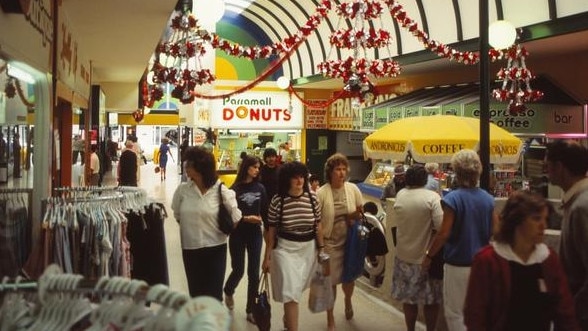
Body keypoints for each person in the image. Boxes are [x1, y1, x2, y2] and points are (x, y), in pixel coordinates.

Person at [464, 190, 580, 330]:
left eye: (545, 219)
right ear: (517, 220)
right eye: (536, 218)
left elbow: (565, 311)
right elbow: (475, 315)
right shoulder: (487, 260)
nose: (543, 225)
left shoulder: (548, 259)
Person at [423, 149, 498, 331]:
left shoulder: (453, 199)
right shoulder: (488, 199)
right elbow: (497, 231)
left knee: (455, 313)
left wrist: (429, 256)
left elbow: (444, 233)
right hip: (482, 265)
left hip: (457, 264)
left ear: (457, 171)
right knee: (478, 311)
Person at [171, 146, 242, 300]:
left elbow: (236, 217)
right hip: (190, 249)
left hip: (215, 249)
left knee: (214, 294)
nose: (186, 167)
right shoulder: (183, 191)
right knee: (196, 292)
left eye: (189, 164)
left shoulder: (221, 190)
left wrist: (223, 232)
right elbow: (177, 215)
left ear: (200, 168)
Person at [262, 161, 325, 331]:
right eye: (295, 178)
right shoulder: (278, 200)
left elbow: (318, 225)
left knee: (296, 290)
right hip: (285, 250)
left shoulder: (313, 198)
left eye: (302, 177)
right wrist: (267, 257)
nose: (299, 181)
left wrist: (322, 249)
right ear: (286, 180)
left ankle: (287, 317)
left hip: (308, 249)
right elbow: (271, 231)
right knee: (291, 294)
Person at [390, 164, 443, 331]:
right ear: (425, 179)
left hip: (404, 255)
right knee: (431, 300)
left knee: (409, 300)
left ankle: (410, 329)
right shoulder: (432, 198)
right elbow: (441, 226)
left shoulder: (400, 195)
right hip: (426, 258)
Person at [316, 153, 363, 331]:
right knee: (331, 282)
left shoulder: (353, 189)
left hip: (350, 241)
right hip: (330, 243)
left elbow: (360, 211)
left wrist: (354, 216)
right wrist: (319, 246)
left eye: (344, 169)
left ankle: (348, 300)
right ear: (330, 172)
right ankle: (330, 318)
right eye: (338, 169)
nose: (342, 173)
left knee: (349, 279)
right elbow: (317, 222)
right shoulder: (321, 193)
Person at [545, 139, 588, 330]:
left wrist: (572, 310)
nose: (546, 172)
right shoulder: (577, 202)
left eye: (548, 166)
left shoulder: (581, 207)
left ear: (559, 167)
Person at [223, 155, 269, 324]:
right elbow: (228, 216)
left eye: (258, 168)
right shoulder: (234, 189)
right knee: (238, 269)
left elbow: (265, 214)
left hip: (255, 234)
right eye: (254, 167)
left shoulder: (261, 189)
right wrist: (245, 219)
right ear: (246, 167)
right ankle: (228, 290)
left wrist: (269, 237)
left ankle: (251, 310)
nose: (257, 170)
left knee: (253, 273)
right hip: (238, 234)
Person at [381, 164, 406, 247]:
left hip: (405, 213)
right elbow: (383, 199)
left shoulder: (409, 184)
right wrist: (387, 210)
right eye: (398, 176)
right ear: (395, 175)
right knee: (394, 236)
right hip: (393, 214)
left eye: (402, 175)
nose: (400, 177)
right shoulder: (390, 185)